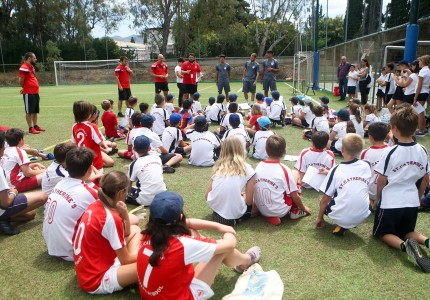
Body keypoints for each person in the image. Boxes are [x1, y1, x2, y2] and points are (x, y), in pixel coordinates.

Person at [137, 191, 261, 299]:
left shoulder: (149, 232)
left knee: (195, 234)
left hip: (156, 295)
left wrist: (218, 225)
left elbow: (188, 223)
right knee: (223, 250)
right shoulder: (183, 245)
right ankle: (246, 260)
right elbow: (230, 244)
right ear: (180, 216)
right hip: (181, 296)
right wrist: (227, 231)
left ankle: (209, 247)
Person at [373, 106, 430, 272]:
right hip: (411, 201)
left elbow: (381, 180)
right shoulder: (422, 150)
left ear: (395, 129)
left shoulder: (391, 152)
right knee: (407, 231)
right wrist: (419, 197)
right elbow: (426, 178)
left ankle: (405, 247)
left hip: (390, 202)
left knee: (383, 234)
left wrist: (378, 199)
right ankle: (426, 241)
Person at [73, 171, 142, 294]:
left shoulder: (96, 203)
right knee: (149, 264)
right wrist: (147, 255)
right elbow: (125, 259)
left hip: (89, 266)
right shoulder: (110, 218)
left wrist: (125, 213)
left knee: (136, 230)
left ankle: (130, 272)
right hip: (96, 279)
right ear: (121, 193)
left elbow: (126, 233)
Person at [43, 147, 98, 261]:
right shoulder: (90, 193)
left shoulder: (60, 183)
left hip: (51, 245)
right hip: (72, 251)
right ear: (90, 169)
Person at [316, 133, 371, 236]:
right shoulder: (366, 165)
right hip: (363, 214)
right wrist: (329, 172)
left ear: (343, 149)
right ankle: (346, 223)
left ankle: (343, 224)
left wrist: (319, 218)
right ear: (360, 150)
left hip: (344, 216)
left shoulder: (336, 170)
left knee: (325, 200)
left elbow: (324, 199)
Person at [254, 135, 312, 226]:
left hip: (261, 208)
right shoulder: (284, 169)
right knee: (295, 174)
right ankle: (295, 211)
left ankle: (268, 215)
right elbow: (294, 195)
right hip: (280, 211)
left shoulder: (258, 165)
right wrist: (304, 208)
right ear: (284, 150)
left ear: (266, 149)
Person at [0, 132, 48, 235]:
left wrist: (33, 164)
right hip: (13, 186)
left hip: (9, 184)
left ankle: (5, 218)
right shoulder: (18, 151)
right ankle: (2, 218)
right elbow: (27, 173)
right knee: (44, 193)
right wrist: (13, 193)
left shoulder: (9, 151)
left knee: (30, 214)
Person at [205, 137, 256, 226]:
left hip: (217, 208)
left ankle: (221, 215)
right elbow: (249, 202)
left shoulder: (219, 167)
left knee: (238, 195)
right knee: (256, 202)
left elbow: (206, 196)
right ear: (241, 149)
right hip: (234, 213)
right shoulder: (248, 169)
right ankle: (235, 218)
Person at [127, 136, 167, 206]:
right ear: (149, 148)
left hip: (144, 200)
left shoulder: (134, 164)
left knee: (120, 189)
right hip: (162, 196)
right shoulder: (157, 158)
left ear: (134, 149)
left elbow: (128, 185)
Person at [3, 128, 45, 192]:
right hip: (13, 185)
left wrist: (35, 164)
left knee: (36, 168)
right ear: (21, 140)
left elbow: (13, 168)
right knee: (47, 174)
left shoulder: (4, 150)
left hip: (4, 183)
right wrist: (45, 171)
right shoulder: (20, 151)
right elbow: (27, 173)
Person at [71, 100, 107, 171]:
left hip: (81, 159)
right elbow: (100, 142)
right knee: (98, 177)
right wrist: (105, 147)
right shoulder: (92, 126)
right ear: (88, 114)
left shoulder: (74, 126)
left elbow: (74, 143)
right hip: (94, 159)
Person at [360, 122, 389, 207]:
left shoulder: (365, 153)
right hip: (387, 192)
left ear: (370, 137)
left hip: (370, 192)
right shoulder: (392, 151)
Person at [18, 52, 45, 134]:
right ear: (29, 58)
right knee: (29, 111)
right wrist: (25, 88)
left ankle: (36, 125)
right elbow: (21, 81)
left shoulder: (31, 67)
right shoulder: (23, 68)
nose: (35, 59)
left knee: (35, 110)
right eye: (34, 58)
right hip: (28, 93)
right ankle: (30, 128)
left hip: (35, 92)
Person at [413, 55, 430, 137]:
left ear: (423, 62)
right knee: (420, 111)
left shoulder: (423, 71)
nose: (418, 63)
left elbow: (419, 85)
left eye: (420, 61)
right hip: (425, 92)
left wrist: (415, 97)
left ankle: (421, 130)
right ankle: (421, 129)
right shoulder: (427, 70)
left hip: (421, 92)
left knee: (420, 111)